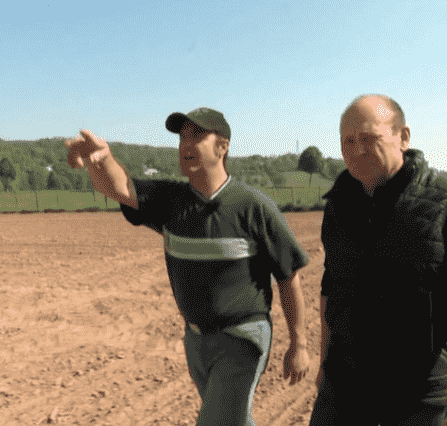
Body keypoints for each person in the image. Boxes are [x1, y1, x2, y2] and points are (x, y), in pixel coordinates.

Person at [65, 107, 310, 425]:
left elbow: (289, 277)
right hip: (196, 341)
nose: (185, 144)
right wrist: (102, 159)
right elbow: (120, 189)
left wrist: (299, 344)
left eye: (197, 135)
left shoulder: (253, 207)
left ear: (222, 147)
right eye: (182, 137)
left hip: (243, 338)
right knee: (233, 419)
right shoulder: (172, 200)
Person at [309, 95, 447, 426]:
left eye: (368, 138)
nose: (357, 150)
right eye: (348, 141)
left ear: (403, 137)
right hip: (344, 386)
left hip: (420, 395)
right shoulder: (338, 205)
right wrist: (324, 363)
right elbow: (332, 287)